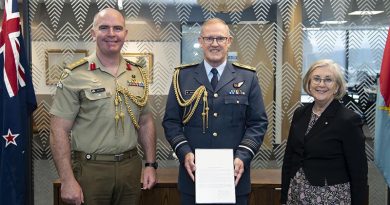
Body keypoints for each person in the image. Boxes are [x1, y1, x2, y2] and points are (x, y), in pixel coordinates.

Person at [50, 8, 157, 205]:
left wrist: (150, 164)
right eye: (104, 28)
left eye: (117, 28)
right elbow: (59, 130)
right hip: (91, 170)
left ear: (125, 34)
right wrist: (66, 180)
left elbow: (146, 121)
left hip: (130, 167)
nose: (111, 34)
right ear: (93, 33)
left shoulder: (138, 74)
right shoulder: (75, 75)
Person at [162, 18, 268, 205]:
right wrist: (184, 152)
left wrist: (243, 155)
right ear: (201, 41)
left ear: (229, 41)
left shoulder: (248, 77)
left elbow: (258, 123)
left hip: (234, 177)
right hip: (193, 176)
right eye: (209, 38)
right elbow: (171, 122)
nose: (215, 44)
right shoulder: (183, 77)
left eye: (220, 38)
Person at [281, 59, 368, 205]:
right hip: (296, 192)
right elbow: (289, 158)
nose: (321, 84)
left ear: (337, 87)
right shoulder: (300, 113)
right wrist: (284, 197)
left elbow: (358, 171)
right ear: (309, 83)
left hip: (331, 196)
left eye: (328, 80)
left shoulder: (348, 120)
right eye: (316, 79)